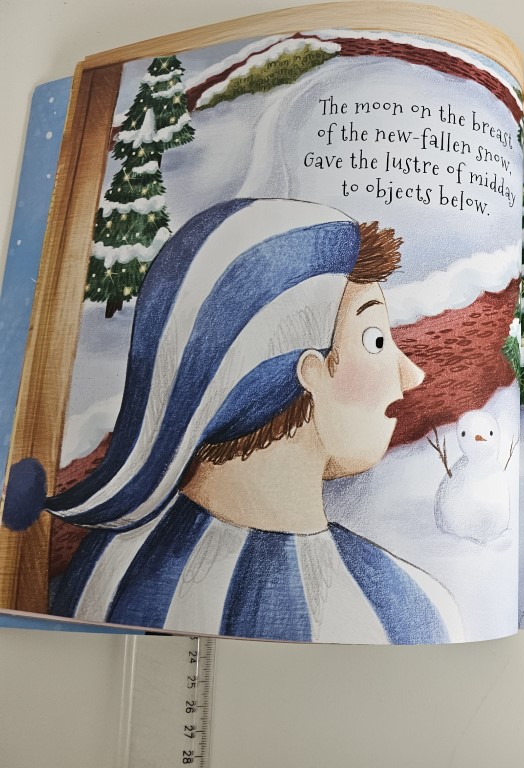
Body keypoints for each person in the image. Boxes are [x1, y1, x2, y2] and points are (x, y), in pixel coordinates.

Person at [4, 198, 462, 643]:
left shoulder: (105, 574)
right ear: (308, 370)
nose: (412, 374)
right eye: (375, 341)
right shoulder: (407, 611)